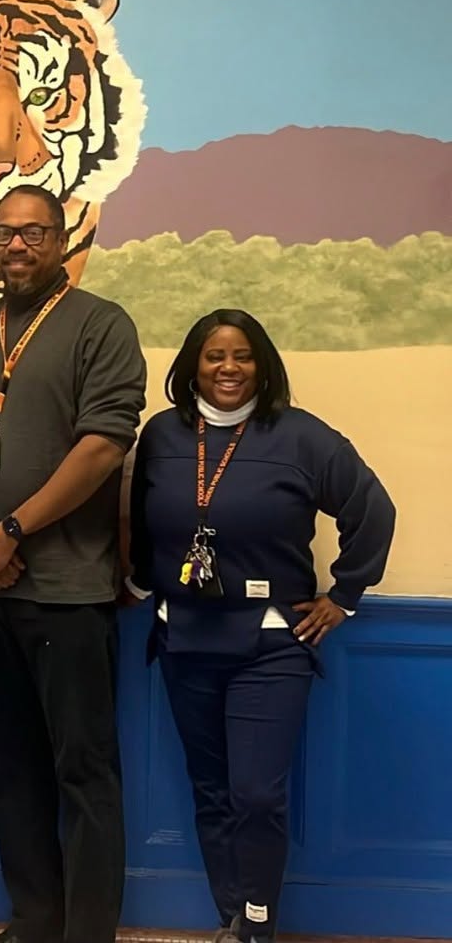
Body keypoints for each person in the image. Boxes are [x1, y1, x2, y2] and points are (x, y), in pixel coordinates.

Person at [127, 308, 396, 943]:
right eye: (215, 355)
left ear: (263, 364)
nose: (228, 368)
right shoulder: (162, 435)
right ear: (193, 363)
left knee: (255, 796)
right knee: (212, 791)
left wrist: (346, 594)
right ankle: (233, 917)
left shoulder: (301, 437)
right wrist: (139, 582)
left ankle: (257, 922)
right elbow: (138, 518)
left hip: (271, 646)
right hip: (183, 639)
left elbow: (372, 509)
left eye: (242, 356)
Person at [0, 185, 147, 943]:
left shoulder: (101, 325)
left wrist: (12, 529)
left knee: (83, 776)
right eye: (5, 233)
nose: (17, 246)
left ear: (61, 241)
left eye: (34, 233)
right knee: (9, 768)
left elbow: (103, 446)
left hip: (68, 593)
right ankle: (34, 921)